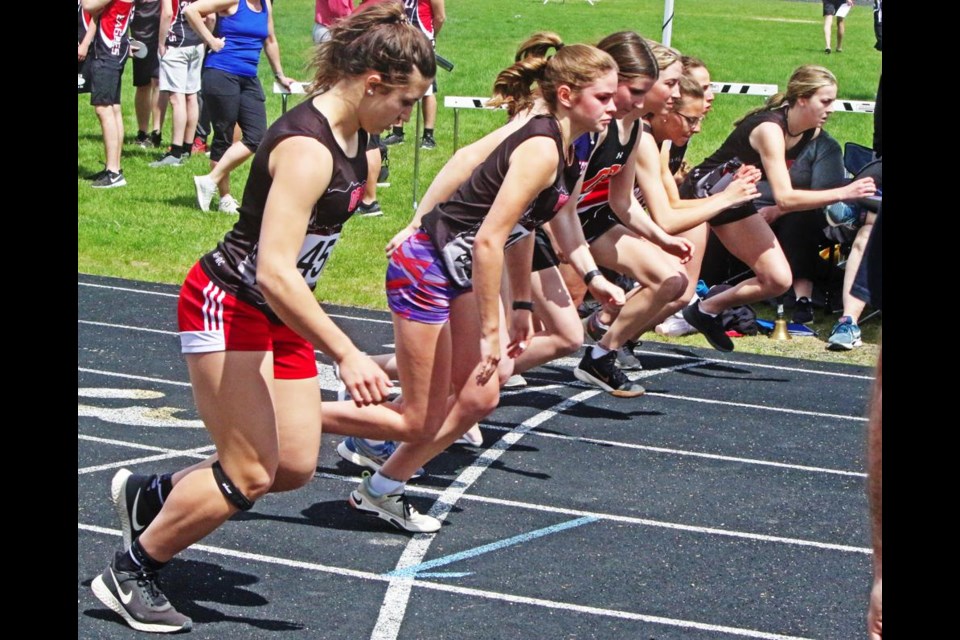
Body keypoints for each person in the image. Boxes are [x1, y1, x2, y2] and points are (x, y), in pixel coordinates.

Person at [89, 4, 436, 632]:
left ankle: (154, 493)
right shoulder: (307, 148)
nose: (407, 119)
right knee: (249, 470)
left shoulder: (358, 134)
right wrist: (347, 352)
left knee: (294, 465)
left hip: (278, 313)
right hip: (231, 302)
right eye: (405, 104)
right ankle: (132, 568)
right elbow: (275, 269)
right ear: (372, 83)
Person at [320, 37, 624, 532]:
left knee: (478, 398)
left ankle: (380, 489)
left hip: (453, 268)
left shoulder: (571, 144)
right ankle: (288, 417)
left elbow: (542, 221)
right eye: (604, 97)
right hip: (429, 265)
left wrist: (572, 284)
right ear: (567, 94)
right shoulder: (541, 146)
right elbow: (489, 240)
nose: (613, 106)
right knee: (423, 411)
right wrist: (491, 329)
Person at [678, 64, 876, 352]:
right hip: (701, 196)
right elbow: (784, 198)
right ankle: (614, 337)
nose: (832, 108)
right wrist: (845, 191)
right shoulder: (770, 129)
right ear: (802, 99)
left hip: (735, 198)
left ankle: (705, 310)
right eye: (826, 101)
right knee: (676, 291)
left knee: (777, 280)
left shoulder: (812, 133)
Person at [187, 0, 295, 214]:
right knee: (224, 135)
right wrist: (210, 40)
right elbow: (191, 10)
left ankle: (210, 180)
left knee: (257, 134)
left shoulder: (265, 5)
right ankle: (225, 198)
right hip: (221, 72)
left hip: (248, 77)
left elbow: (270, 40)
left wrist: (280, 75)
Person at [83, 0, 135, 189]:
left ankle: (113, 172)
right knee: (113, 108)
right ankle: (113, 168)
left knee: (104, 109)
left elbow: (88, 6)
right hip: (116, 48)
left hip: (107, 52)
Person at [149, 0, 208, 167]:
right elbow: (210, 17)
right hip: (196, 43)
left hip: (176, 43)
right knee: (192, 96)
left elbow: (167, 13)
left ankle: (175, 151)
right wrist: (205, 39)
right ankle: (187, 148)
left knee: (177, 99)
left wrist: (161, 43)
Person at [383, 0, 445, 149]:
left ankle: (428, 135)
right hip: (401, 38)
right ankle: (397, 131)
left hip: (423, 40)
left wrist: (430, 35)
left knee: (428, 89)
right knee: (399, 83)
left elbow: (440, 17)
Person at [132, 0, 165, 149]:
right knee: (142, 85)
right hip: (139, 39)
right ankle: (142, 133)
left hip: (159, 38)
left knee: (157, 82)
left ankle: (156, 132)